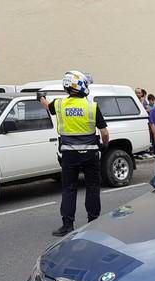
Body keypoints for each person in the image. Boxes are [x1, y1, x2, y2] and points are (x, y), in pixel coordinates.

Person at [39, 70, 109, 237]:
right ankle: (93, 222)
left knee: (69, 189)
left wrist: (40, 96)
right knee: (92, 188)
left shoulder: (60, 104)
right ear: (81, 85)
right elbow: (104, 133)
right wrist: (104, 146)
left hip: (69, 155)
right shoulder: (92, 106)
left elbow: (47, 106)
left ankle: (67, 225)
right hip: (90, 154)